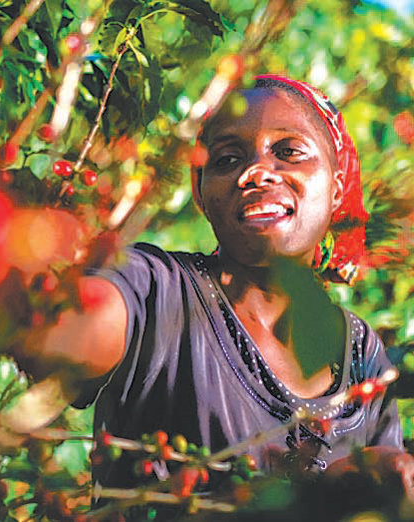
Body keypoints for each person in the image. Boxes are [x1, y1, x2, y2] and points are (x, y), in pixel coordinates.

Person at [33, 74, 414, 502]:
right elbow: (71, 329)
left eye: (288, 152)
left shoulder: (363, 355)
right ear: (201, 193)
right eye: (227, 160)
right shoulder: (157, 289)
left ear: (337, 183)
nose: (255, 172)